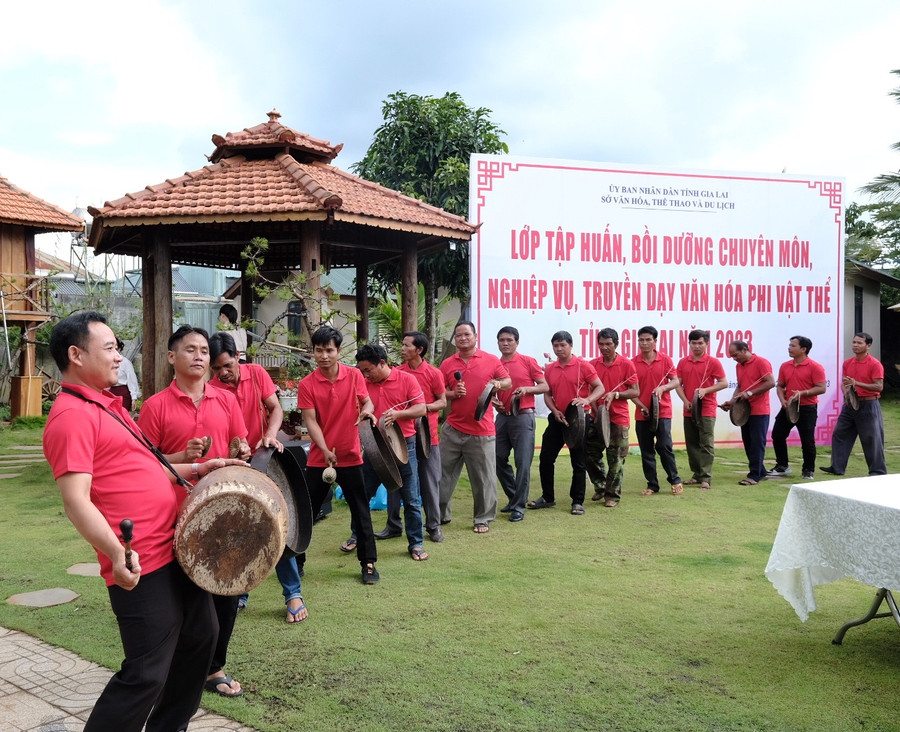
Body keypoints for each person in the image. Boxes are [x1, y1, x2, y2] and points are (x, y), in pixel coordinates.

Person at [42, 311, 236, 731]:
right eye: (110, 348)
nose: (119, 357)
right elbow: (76, 501)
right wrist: (117, 553)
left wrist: (202, 467)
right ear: (76, 355)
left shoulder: (110, 406)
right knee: (146, 672)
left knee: (201, 638)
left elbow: (151, 469)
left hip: (176, 548)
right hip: (141, 561)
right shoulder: (72, 416)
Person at [138, 325, 250, 699]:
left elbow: (240, 445)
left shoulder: (226, 400)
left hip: (222, 513)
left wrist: (242, 449)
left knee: (227, 593)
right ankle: (176, 666)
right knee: (182, 596)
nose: (199, 356)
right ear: (172, 357)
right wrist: (182, 457)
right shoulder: (155, 406)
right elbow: (142, 464)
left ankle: (213, 667)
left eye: (203, 350)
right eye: (190, 349)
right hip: (173, 515)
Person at [208, 332, 307, 623]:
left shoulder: (256, 373)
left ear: (238, 357)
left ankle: (293, 593)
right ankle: (240, 591)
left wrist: (270, 435)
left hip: (263, 459)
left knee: (276, 524)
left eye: (227, 365)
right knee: (238, 528)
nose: (223, 373)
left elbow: (275, 408)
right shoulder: (211, 389)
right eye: (217, 368)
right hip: (233, 466)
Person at [297, 325, 380, 583]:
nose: (324, 356)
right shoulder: (307, 384)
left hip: (351, 456)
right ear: (313, 352)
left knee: (361, 511)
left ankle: (368, 564)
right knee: (307, 513)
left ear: (339, 351)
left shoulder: (354, 376)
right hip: (319, 459)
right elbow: (311, 421)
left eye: (329, 350)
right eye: (319, 350)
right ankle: (296, 563)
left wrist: (367, 410)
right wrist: (323, 449)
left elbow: (367, 401)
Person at [355, 343, 428, 560]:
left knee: (411, 499)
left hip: (405, 446)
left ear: (382, 363)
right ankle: (356, 536)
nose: (365, 375)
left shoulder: (407, 379)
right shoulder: (364, 383)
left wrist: (398, 414)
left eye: (368, 370)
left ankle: (416, 543)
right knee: (362, 495)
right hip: (374, 447)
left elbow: (421, 408)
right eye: (362, 371)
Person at [439, 321, 511, 534]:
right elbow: (439, 392)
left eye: (466, 334)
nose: (462, 338)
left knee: (483, 479)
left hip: (482, 430)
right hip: (452, 429)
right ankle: (440, 515)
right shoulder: (448, 364)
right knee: (441, 475)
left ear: (475, 336)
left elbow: (507, 381)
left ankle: (483, 518)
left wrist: (498, 384)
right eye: (458, 335)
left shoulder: (490, 360)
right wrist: (453, 394)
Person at [530, 330, 604, 515]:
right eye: (556, 345)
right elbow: (547, 394)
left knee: (578, 462)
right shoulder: (550, 368)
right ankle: (547, 497)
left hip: (579, 419)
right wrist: (554, 410)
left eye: (563, 345)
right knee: (546, 458)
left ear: (571, 346)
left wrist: (587, 400)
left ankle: (577, 502)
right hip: (557, 418)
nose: (559, 349)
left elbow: (600, 387)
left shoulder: (583, 366)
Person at [395, 331, 447, 542]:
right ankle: (393, 525)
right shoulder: (397, 372)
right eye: (403, 344)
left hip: (427, 436)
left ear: (419, 350)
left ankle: (434, 526)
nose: (402, 348)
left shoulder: (433, 373)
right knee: (396, 481)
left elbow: (442, 401)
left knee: (429, 482)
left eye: (407, 345)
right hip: (401, 437)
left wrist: (423, 408)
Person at [493, 326, 548, 522]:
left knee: (522, 462)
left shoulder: (527, 361)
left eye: (509, 340)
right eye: (502, 340)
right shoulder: (495, 364)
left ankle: (518, 507)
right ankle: (515, 497)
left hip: (523, 416)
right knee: (497, 458)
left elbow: (544, 385)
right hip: (502, 417)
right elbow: (491, 390)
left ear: (517, 342)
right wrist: (493, 401)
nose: (505, 343)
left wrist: (526, 389)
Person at [586, 328, 639, 508]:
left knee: (616, 458)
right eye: (601, 344)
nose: (604, 347)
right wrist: (596, 411)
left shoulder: (626, 364)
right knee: (589, 453)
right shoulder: (593, 364)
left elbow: (635, 391)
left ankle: (612, 496)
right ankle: (601, 486)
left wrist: (616, 394)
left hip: (619, 418)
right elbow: (590, 390)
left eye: (608, 344)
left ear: (616, 344)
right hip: (597, 417)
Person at [821, 332, 886, 476]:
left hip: (869, 404)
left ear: (868, 346)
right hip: (850, 405)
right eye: (854, 342)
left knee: (871, 438)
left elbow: (879, 386)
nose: (855, 345)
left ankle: (877, 471)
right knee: (839, 433)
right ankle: (837, 467)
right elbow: (845, 383)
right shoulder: (848, 363)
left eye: (859, 343)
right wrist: (846, 394)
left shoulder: (875, 364)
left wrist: (857, 383)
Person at [630, 326, 683, 496]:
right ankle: (652, 485)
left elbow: (676, 381)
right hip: (642, 413)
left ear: (655, 341)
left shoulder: (665, 360)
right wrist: (641, 406)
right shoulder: (632, 363)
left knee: (664, 446)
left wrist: (663, 388)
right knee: (646, 450)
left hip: (663, 411)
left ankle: (675, 480)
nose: (644, 343)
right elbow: (630, 391)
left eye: (648, 340)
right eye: (641, 340)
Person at [675, 329, 728, 489]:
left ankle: (706, 477)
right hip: (689, 409)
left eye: (700, 343)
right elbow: (677, 384)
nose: (696, 346)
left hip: (707, 409)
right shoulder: (683, 362)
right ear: (689, 343)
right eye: (693, 343)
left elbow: (724, 383)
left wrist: (706, 390)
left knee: (706, 443)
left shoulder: (713, 362)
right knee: (691, 443)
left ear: (707, 344)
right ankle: (696, 474)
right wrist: (685, 401)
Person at [768, 335, 826, 480]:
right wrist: (782, 400)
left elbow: (821, 388)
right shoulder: (785, 365)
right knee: (777, 435)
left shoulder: (815, 366)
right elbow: (780, 386)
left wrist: (802, 393)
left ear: (804, 349)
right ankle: (782, 466)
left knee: (807, 440)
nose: (789, 348)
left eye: (793, 346)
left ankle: (808, 470)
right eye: (789, 345)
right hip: (788, 407)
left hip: (807, 408)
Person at [722, 341, 775, 485]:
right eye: (732, 356)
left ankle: (754, 475)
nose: (734, 359)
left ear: (745, 349)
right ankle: (760, 471)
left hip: (760, 410)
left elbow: (771, 382)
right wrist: (732, 402)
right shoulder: (739, 365)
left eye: (735, 355)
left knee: (757, 443)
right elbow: (740, 386)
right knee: (748, 443)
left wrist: (750, 393)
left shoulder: (761, 362)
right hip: (744, 411)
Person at [109, 337, 140, 411]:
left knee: (122, 414)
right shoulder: (107, 362)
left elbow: (131, 379)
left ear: (119, 349)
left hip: (123, 393)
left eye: (116, 349)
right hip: (110, 392)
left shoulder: (125, 362)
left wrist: (134, 397)